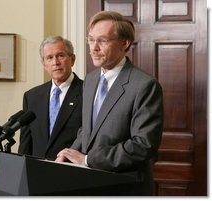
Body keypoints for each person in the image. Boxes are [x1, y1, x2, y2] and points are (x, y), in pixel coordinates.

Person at [55, 11, 164, 195]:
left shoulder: (145, 85)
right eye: (90, 40)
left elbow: (143, 145)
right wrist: (68, 154)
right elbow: (87, 130)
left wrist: (88, 159)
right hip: (87, 185)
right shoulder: (90, 81)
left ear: (124, 43)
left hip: (124, 187)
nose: (93, 48)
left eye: (102, 41)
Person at [18, 36, 83, 160]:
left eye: (60, 56)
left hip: (73, 171)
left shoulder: (88, 92)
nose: (55, 62)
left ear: (72, 59)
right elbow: (25, 145)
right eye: (49, 58)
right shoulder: (31, 97)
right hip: (37, 172)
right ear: (43, 64)